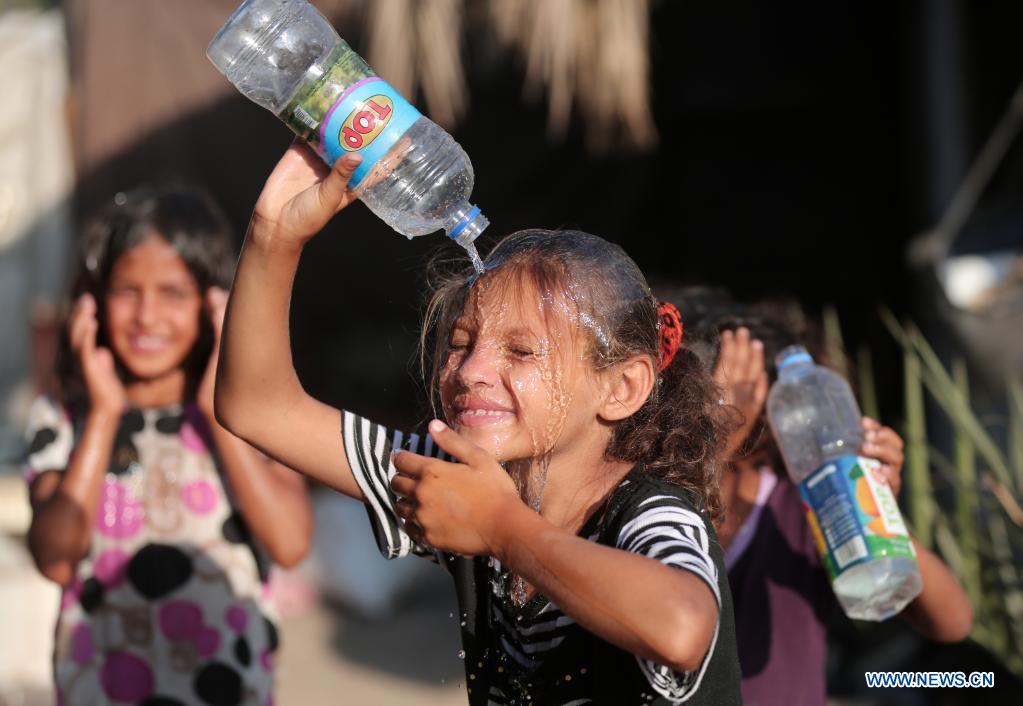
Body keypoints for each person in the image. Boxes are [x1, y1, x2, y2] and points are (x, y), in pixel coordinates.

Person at [214, 144, 743, 705]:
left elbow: (683, 628)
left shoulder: (648, 514)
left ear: (622, 389)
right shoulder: (466, 482)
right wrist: (275, 238)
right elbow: (256, 407)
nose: (471, 371)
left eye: (520, 351)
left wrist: (500, 529)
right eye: (462, 342)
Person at [23, 187, 313, 706]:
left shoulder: (254, 417)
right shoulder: (66, 418)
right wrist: (104, 416)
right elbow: (55, 559)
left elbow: (290, 543)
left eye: (173, 293)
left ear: (215, 304)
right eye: (126, 290)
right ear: (92, 302)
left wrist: (221, 414)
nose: (147, 316)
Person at [680, 291, 973, 706]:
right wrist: (715, 453)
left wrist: (877, 509)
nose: (707, 416)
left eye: (722, 400)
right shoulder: (662, 500)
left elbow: (951, 623)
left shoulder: (802, 508)